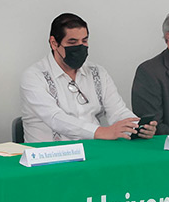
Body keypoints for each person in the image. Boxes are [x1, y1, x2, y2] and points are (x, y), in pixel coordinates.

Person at [20, 13, 157, 143]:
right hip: (48, 157)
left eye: (84, 41)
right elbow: (55, 118)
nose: (80, 47)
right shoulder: (34, 76)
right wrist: (101, 132)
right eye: (72, 42)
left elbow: (117, 111)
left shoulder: (98, 72)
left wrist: (136, 127)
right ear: (54, 43)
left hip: (93, 153)